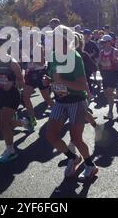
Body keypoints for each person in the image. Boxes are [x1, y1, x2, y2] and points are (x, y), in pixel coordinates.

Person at [45, 25, 99, 181]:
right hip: (60, 100)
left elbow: (82, 85)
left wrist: (61, 81)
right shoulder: (54, 55)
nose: (52, 40)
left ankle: (90, 166)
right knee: (50, 135)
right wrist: (48, 80)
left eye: (55, 37)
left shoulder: (74, 57)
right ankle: (73, 157)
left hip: (76, 100)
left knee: (76, 138)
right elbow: (52, 76)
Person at [0, 37, 29, 163]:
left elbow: (21, 82)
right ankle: (23, 122)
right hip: (1, 94)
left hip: (12, 95)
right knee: (2, 123)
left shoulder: (12, 62)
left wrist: (12, 83)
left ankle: (11, 151)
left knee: (3, 124)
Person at [22, 30, 54, 129]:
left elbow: (41, 63)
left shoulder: (39, 47)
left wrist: (31, 58)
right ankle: (32, 118)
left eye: (31, 37)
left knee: (46, 98)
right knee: (25, 96)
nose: (29, 39)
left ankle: (59, 113)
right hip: (31, 74)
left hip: (39, 73)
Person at [99, 35, 118, 120]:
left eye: (104, 42)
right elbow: (99, 62)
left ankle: (110, 113)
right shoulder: (101, 52)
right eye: (102, 42)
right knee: (106, 94)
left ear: (109, 42)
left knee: (109, 94)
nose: (103, 44)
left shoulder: (115, 51)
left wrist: (116, 61)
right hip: (105, 75)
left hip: (113, 74)